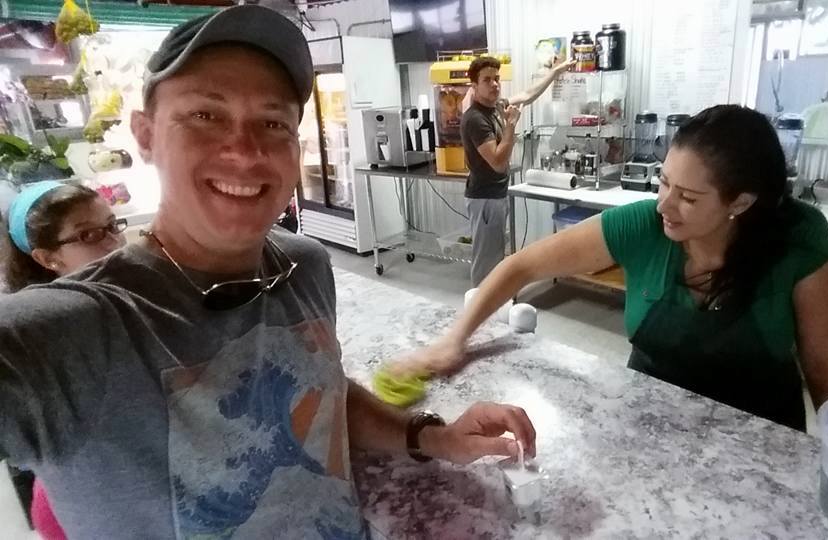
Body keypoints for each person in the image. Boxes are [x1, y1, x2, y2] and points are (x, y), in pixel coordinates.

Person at [0, 6, 535, 539]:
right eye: (205, 115)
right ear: (145, 134)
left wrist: (432, 436)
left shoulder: (304, 266)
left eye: (273, 122)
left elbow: (320, 389)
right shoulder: (68, 332)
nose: (245, 150)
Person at [394, 105, 828, 431]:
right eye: (664, 183)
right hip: (649, 422)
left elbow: (825, 370)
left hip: (761, 437)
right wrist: (452, 341)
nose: (665, 205)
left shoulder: (797, 236)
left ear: (741, 203)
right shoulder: (645, 225)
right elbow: (519, 267)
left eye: (688, 198)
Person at [1, 180, 127, 540]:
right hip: (84, 509)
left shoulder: (129, 298)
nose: (114, 242)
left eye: (112, 225)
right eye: (89, 235)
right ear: (47, 258)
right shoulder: (38, 336)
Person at [462, 55, 573, 286]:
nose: (494, 84)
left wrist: (555, 72)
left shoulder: (495, 107)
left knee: (494, 257)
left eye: (496, 78)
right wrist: (511, 125)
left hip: (495, 195)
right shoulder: (475, 119)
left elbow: (528, 94)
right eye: (487, 80)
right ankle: (481, 305)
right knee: (486, 263)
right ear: (474, 86)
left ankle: (493, 304)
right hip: (485, 199)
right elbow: (498, 162)